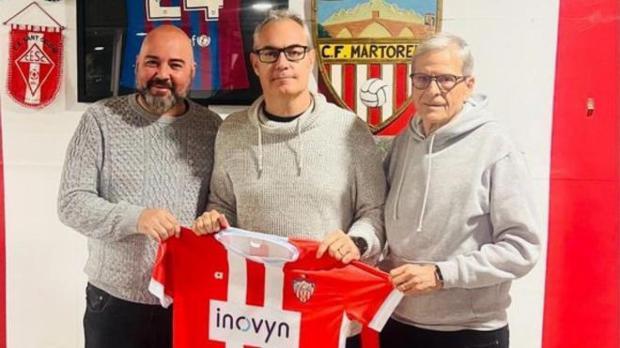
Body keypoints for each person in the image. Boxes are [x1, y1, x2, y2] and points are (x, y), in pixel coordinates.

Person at [192, 9, 386, 348]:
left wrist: (355, 242)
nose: (283, 62)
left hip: (329, 315)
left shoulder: (349, 130)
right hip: (255, 318)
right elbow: (222, 205)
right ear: (255, 64)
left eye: (294, 51)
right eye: (270, 53)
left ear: (310, 59)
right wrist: (213, 219)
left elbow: (375, 212)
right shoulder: (231, 131)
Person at [57, 25, 222, 348]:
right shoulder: (100, 119)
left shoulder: (212, 127)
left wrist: (214, 218)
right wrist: (137, 218)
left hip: (187, 300)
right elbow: (71, 203)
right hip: (114, 303)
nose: (162, 74)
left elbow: (219, 202)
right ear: (136, 66)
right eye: (152, 62)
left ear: (192, 72)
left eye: (175, 65)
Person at [379, 33, 541, 348]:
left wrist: (442, 274)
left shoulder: (496, 147)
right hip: (398, 322)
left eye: (446, 79)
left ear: (469, 84)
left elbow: (522, 249)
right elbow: (382, 222)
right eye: (422, 78)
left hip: (470, 333)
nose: (432, 90)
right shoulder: (402, 144)